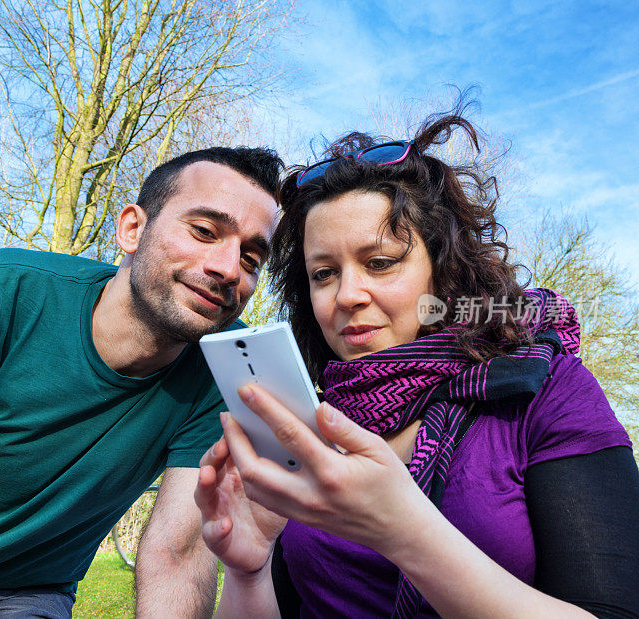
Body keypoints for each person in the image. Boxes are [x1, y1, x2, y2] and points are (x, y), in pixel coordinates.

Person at [195, 108, 639, 618]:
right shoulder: (314, 425)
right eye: (323, 273)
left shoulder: (546, 390)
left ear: (443, 273)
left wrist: (403, 530)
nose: (347, 295)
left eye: (380, 263)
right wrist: (248, 572)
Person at [0, 146, 283, 618]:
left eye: (252, 258)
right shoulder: (4, 290)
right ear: (132, 229)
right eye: (204, 231)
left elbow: (178, 552)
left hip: (23, 594)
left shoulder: (228, 365)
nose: (229, 269)